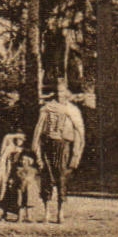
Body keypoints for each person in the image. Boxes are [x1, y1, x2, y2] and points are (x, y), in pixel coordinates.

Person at [31, 78, 85, 223]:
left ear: (67, 93)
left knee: (62, 178)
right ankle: (47, 212)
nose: (59, 94)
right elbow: (38, 130)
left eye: (62, 91)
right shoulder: (47, 108)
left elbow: (79, 133)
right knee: (47, 178)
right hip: (48, 146)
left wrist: (76, 155)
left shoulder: (72, 110)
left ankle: (60, 213)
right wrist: (36, 151)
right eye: (57, 91)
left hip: (64, 146)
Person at [0, 133, 28, 220]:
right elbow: (6, 138)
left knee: (19, 195)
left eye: (21, 140)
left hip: (19, 175)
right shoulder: (9, 149)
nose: (19, 142)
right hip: (8, 173)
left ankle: (20, 215)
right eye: (17, 140)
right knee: (6, 194)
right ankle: (4, 214)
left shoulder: (24, 151)